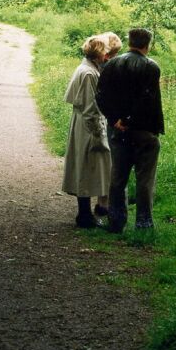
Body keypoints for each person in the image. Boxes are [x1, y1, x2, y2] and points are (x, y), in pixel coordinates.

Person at [96, 27, 164, 232]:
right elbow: (146, 99)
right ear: (147, 45)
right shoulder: (152, 67)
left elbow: (100, 95)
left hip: (118, 130)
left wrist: (115, 119)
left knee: (118, 177)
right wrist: (127, 119)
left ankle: (116, 222)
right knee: (145, 179)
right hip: (144, 130)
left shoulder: (111, 64)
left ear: (130, 42)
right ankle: (144, 224)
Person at [62, 35, 111, 228]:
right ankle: (84, 215)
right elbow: (91, 108)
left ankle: (85, 214)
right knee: (87, 166)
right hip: (87, 125)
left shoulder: (86, 69)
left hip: (82, 122)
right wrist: (99, 135)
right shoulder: (89, 73)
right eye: (105, 51)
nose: (107, 55)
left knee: (85, 166)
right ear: (99, 53)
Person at [93, 31, 123, 217]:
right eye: (112, 53)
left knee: (108, 162)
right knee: (107, 162)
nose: (114, 57)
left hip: (106, 117)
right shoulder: (102, 69)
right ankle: (103, 203)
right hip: (105, 118)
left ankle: (104, 202)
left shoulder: (104, 66)